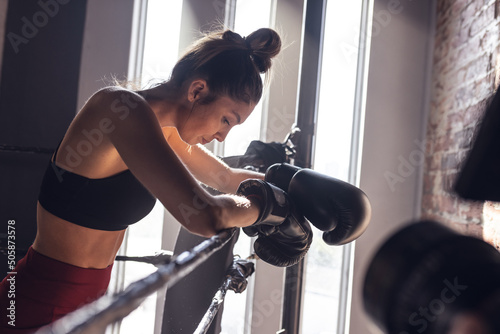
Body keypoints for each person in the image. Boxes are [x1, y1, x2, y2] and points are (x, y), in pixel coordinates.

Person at [0, 27, 307, 333]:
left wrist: (297, 189)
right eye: (226, 119)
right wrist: (268, 204)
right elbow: (204, 215)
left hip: (88, 310)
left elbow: (225, 177)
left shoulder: (163, 128)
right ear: (197, 91)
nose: (222, 136)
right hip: (37, 307)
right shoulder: (119, 109)